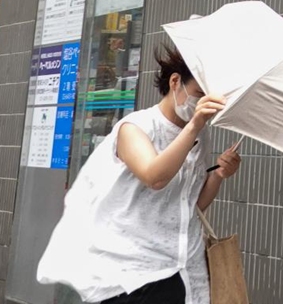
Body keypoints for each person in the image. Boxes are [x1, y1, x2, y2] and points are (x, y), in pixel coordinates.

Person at [38, 45, 241, 304]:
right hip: (134, 275)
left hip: (185, 270)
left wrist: (220, 174)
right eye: (198, 94)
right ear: (175, 82)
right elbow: (154, 176)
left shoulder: (200, 136)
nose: (202, 104)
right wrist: (193, 126)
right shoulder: (136, 127)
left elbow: (190, 205)